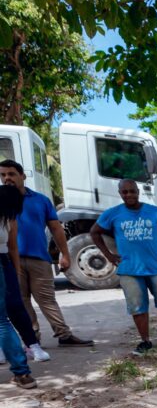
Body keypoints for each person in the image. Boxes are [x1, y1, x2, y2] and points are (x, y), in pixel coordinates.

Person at [0, 159, 93, 347]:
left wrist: (65, 254)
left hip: (38, 259)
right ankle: (32, 339)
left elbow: (56, 229)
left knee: (47, 299)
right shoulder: (0, 200)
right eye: (3, 175)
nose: (7, 178)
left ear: (22, 176)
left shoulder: (41, 200)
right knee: (21, 301)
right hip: (8, 261)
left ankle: (64, 335)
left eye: (11, 174)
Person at [90, 179, 157, 355]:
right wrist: (108, 255)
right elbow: (95, 232)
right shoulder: (113, 213)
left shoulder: (153, 211)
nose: (129, 195)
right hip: (129, 269)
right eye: (124, 192)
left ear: (138, 192)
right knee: (137, 306)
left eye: (132, 191)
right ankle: (145, 341)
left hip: (156, 266)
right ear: (120, 194)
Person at [0, 185, 49, 363]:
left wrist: (16, 271)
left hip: (5, 262)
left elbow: (13, 246)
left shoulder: (10, 218)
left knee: (16, 306)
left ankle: (32, 345)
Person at [0, 184, 35, 388]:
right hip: (4, 263)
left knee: (2, 322)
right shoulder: (7, 218)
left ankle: (21, 372)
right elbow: (12, 247)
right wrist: (15, 272)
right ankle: (22, 374)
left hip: (4, 264)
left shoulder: (7, 218)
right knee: (3, 321)